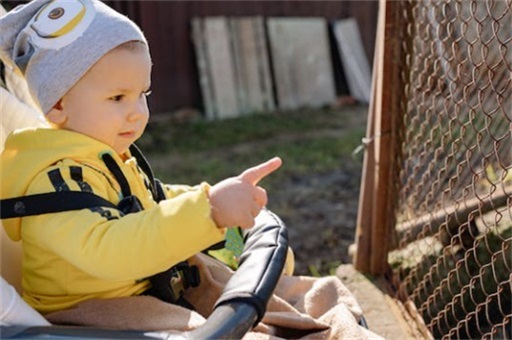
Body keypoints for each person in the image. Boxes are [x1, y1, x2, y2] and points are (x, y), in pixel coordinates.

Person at [0, 0, 285, 315]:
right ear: (58, 105)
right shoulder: (55, 182)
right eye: (118, 97)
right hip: (85, 316)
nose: (137, 113)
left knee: (262, 298)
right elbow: (112, 251)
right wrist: (210, 210)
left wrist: (226, 213)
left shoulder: (105, 159)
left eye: (143, 94)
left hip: (139, 294)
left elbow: (153, 200)